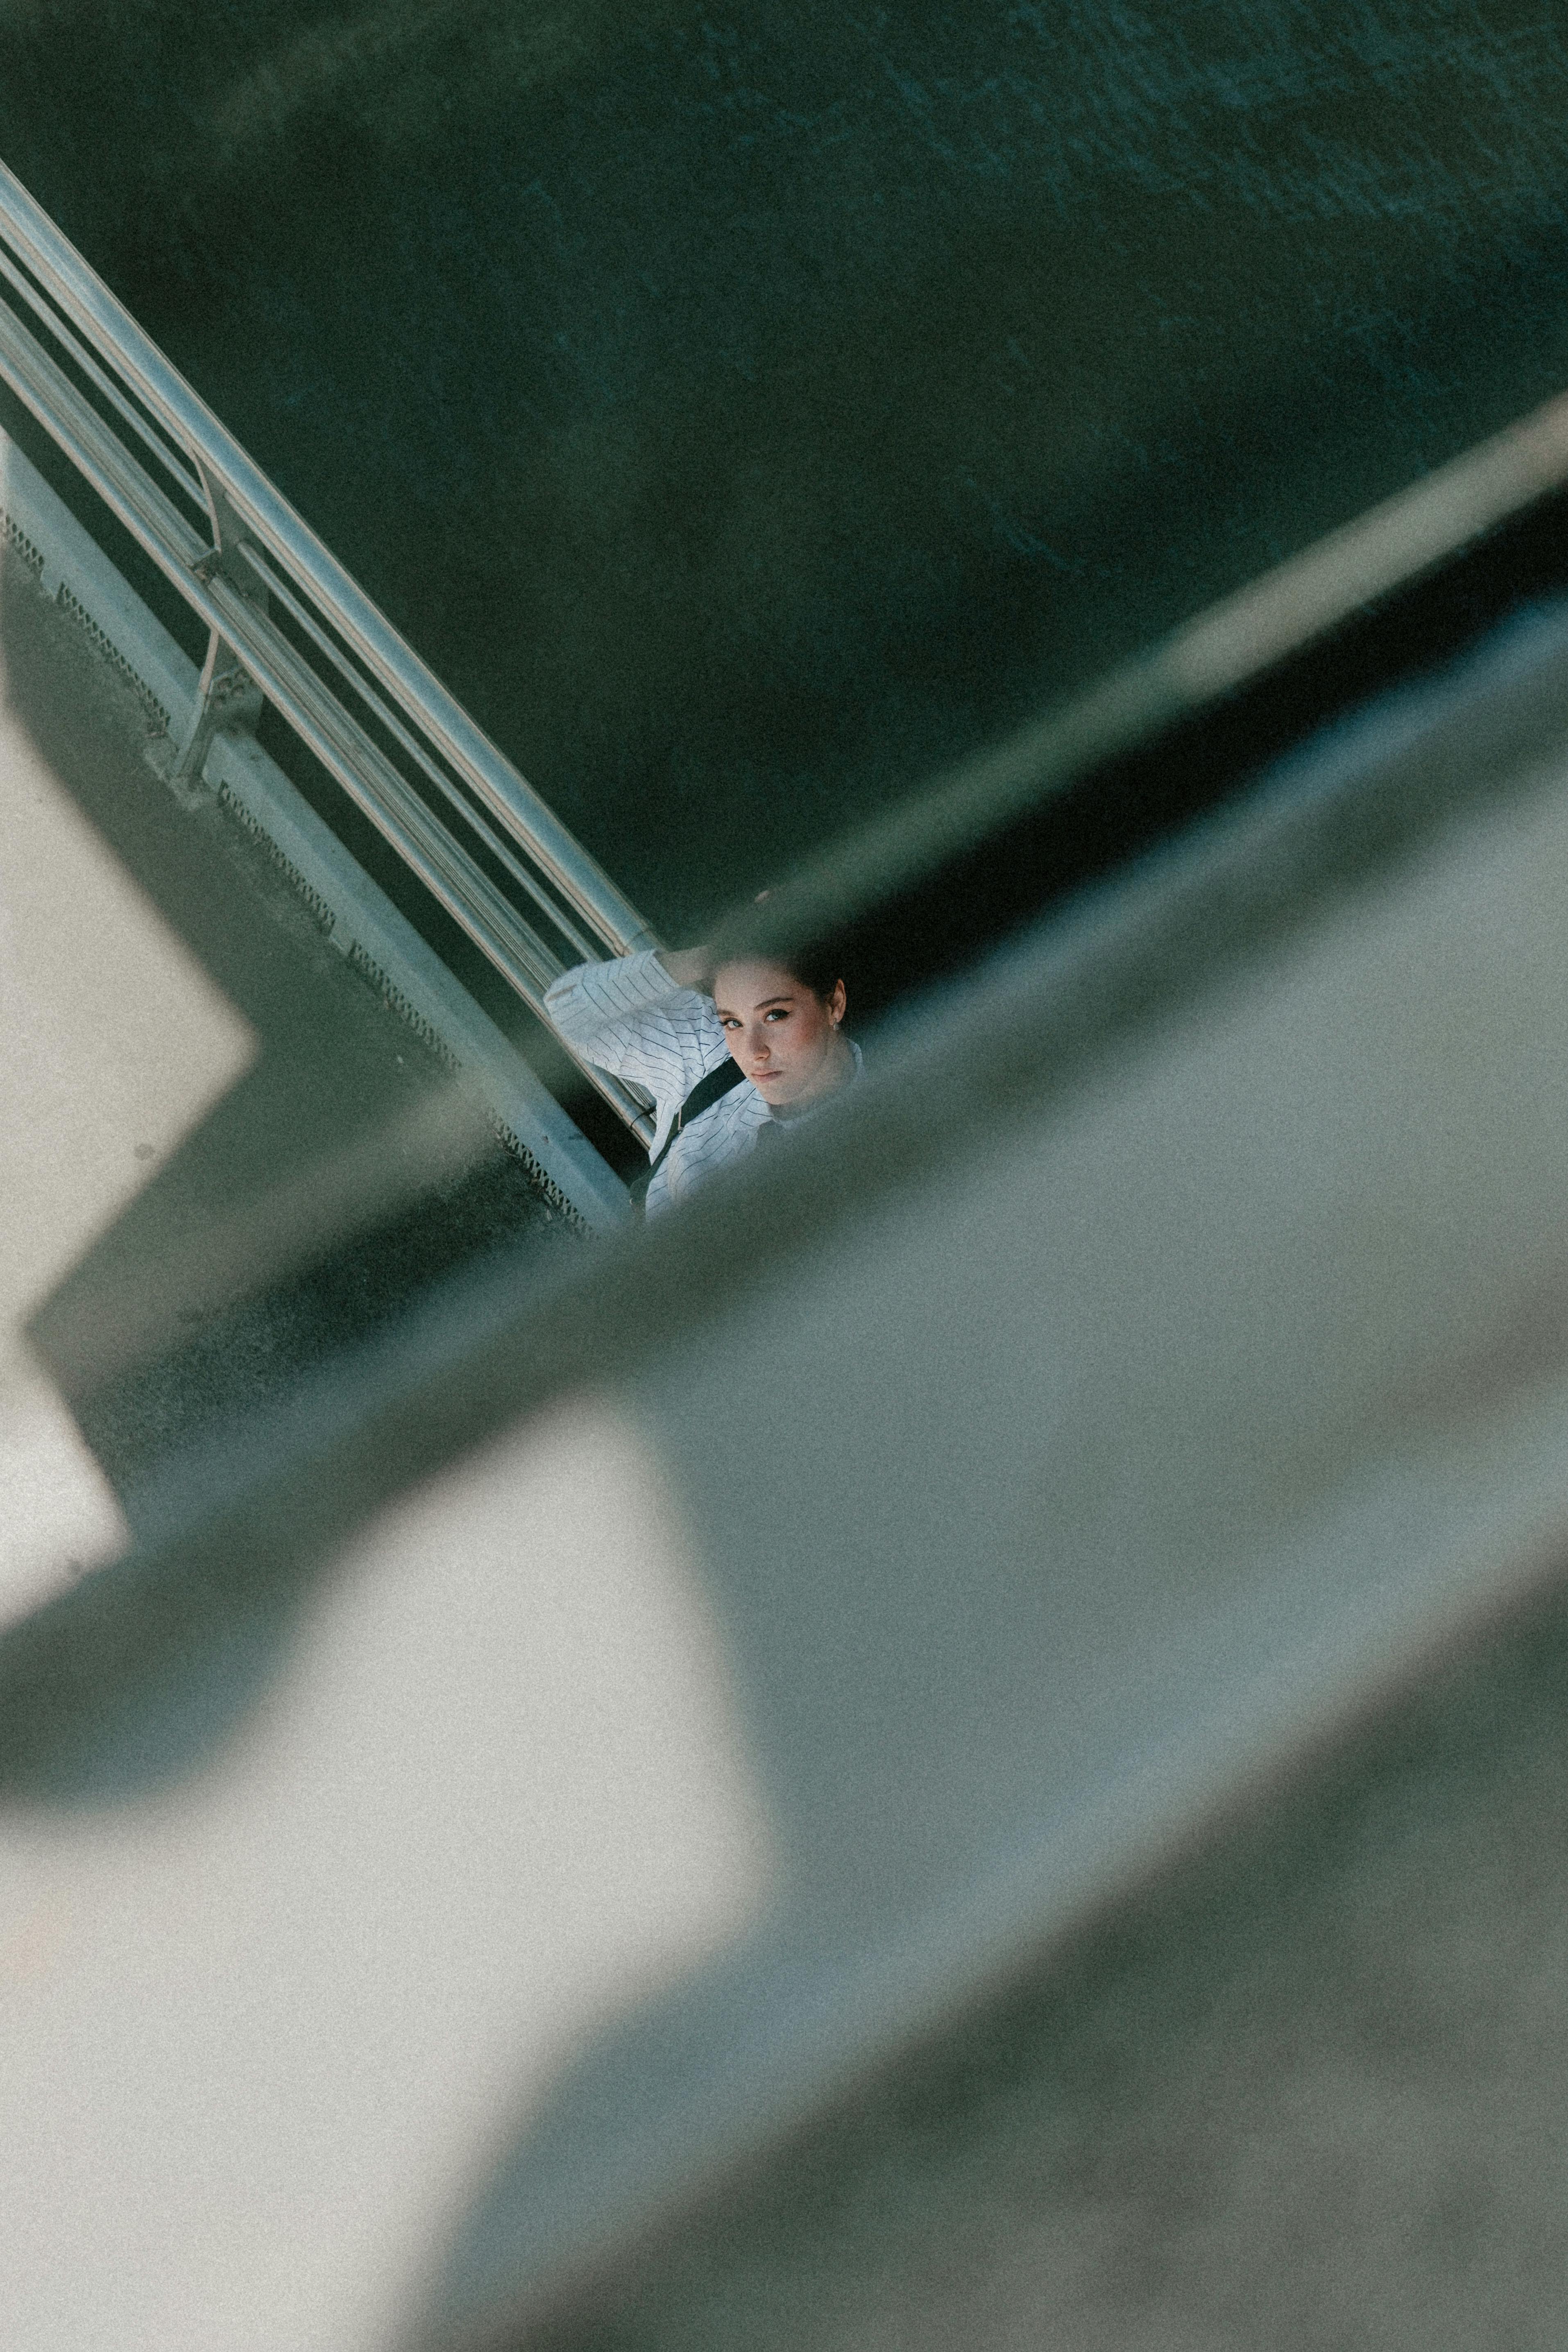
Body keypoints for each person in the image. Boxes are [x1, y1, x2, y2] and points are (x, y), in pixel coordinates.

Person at [544, 939, 861, 1216]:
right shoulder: (710, 1046)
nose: (754, 1051)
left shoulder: (869, 1131)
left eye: (775, 1015)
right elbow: (569, 1009)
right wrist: (718, 954)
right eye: (733, 1022)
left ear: (835, 1004)